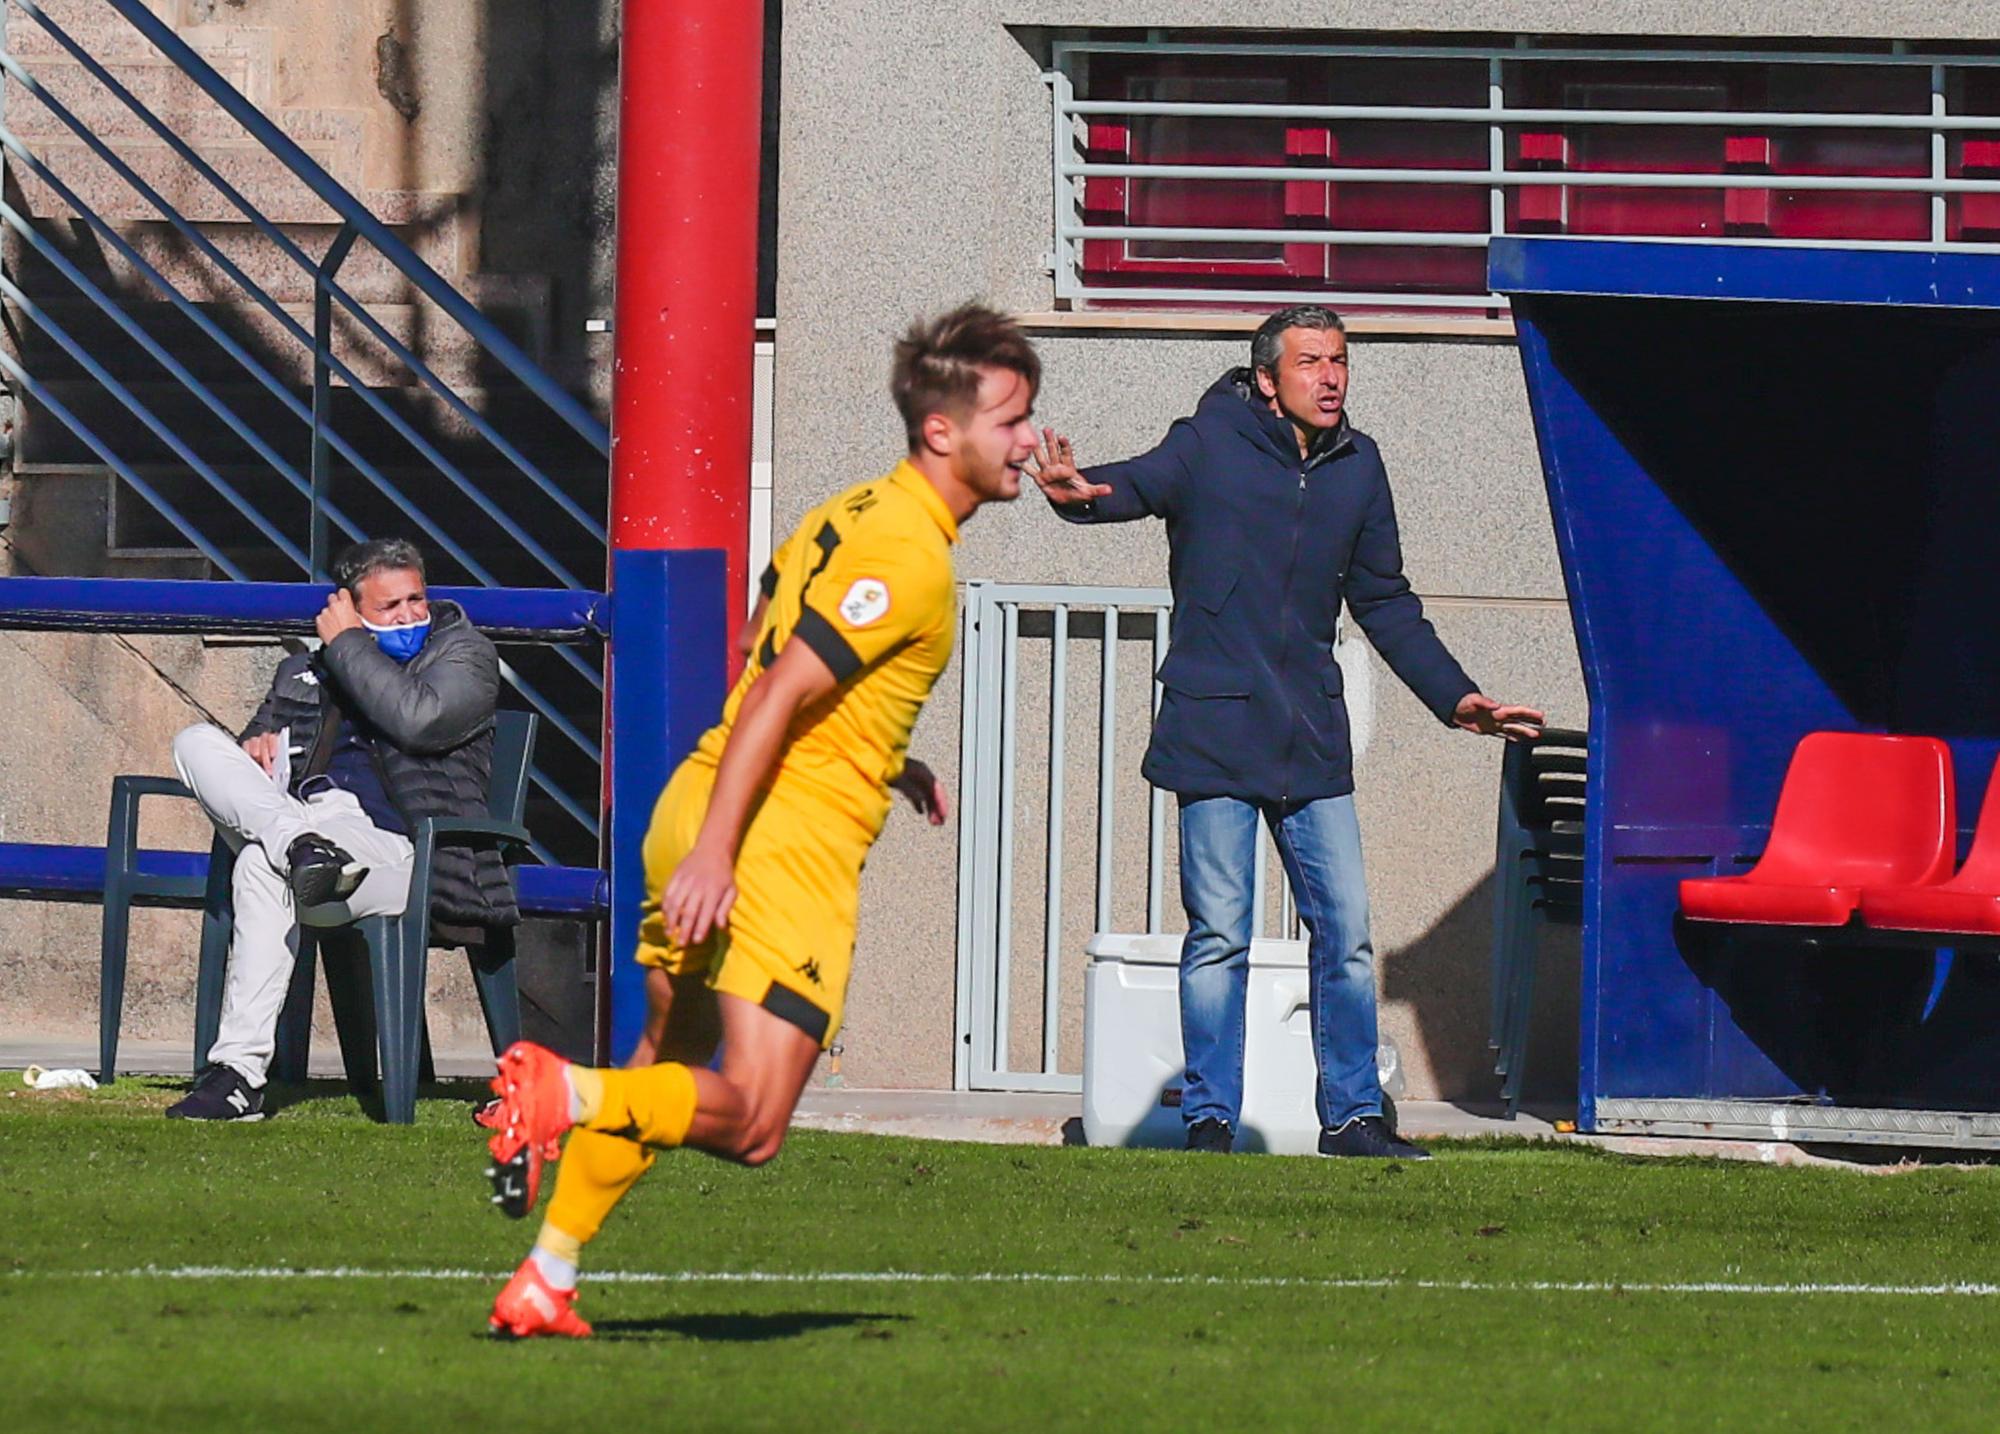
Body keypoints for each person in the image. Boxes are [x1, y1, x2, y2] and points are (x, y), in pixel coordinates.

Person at [477, 303, 1044, 1339]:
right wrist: (719, 853)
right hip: (775, 838)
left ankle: (545, 1275)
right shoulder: (912, 554)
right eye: (1009, 421)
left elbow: (765, 649)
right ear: (940, 431)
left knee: (666, 1061)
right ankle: (563, 1091)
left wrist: (885, 758)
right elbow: (782, 685)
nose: (1028, 442)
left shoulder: (851, 510)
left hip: (710, 790)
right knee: (754, 1121)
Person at [1030, 304, 1542, 1160]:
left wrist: (1459, 700)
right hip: (1215, 728)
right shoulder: (1206, 443)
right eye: (1311, 362)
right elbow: (1137, 484)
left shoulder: (1358, 466)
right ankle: (1209, 1121)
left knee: (1346, 935)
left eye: (1339, 360)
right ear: (1268, 379)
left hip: (1309, 735)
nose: (1331, 377)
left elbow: (1385, 602)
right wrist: (1081, 498)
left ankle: (1352, 1118)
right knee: (1220, 934)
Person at [164, 537, 516, 1121]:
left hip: (401, 847)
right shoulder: (306, 670)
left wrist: (350, 643)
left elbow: (417, 719)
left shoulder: (463, 655)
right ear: (350, 605)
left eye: (415, 600)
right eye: (390, 607)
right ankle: (298, 846)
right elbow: (259, 741)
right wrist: (256, 748)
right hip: (307, 830)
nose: (409, 616)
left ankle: (237, 1076)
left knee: (259, 862)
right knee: (194, 743)